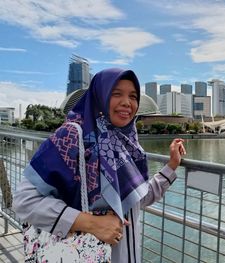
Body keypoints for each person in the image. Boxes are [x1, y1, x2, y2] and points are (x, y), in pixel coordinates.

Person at [13, 68, 186, 262]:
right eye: (116, 93)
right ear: (99, 95)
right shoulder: (71, 137)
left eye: (133, 96)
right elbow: (24, 201)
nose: (127, 103)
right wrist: (90, 223)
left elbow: (137, 199)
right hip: (82, 254)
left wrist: (171, 167)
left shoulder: (126, 144)